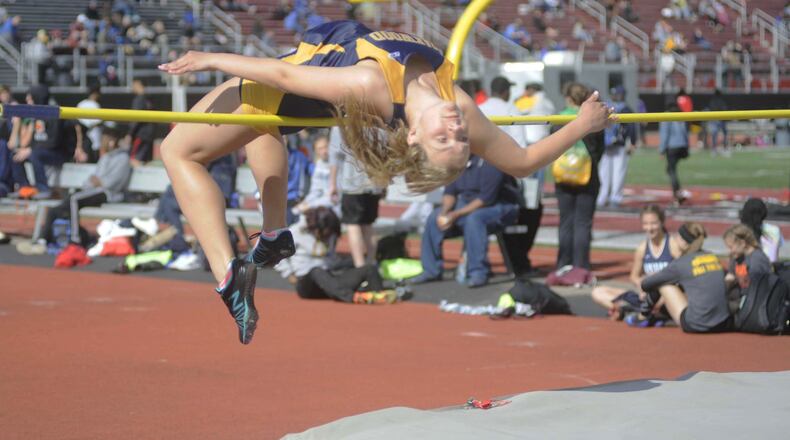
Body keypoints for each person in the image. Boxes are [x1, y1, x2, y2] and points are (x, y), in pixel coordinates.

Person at [156, 20, 612, 344]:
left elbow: (281, 75)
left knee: (175, 150)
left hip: (286, 82)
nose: (454, 126)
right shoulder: (461, 107)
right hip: (306, 76)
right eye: (459, 137)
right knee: (262, 128)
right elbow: (523, 161)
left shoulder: (372, 85)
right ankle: (274, 235)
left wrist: (209, 58)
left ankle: (227, 274)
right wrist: (581, 123)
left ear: (413, 135)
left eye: (443, 137)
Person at [16, 127, 130, 255]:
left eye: (106, 139)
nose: (103, 142)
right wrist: (95, 182)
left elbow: (112, 184)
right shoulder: (106, 157)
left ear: (112, 141)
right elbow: (91, 180)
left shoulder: (123, 158)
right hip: (93, 191)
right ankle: (42, 240)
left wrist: (98, 181)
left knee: (74, 199)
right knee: (56, 209)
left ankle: (75, 240)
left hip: (108, 194)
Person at [275, 206, 401, 304]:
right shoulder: (295, 232)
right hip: (308, 284)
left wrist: (347, 263)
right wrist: (288, 273)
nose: (328, 236)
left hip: (330, 278)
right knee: (316, 271)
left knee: (368, 267)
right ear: (316, 227)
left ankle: (378, 294)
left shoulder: (331, 233)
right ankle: (352, 297)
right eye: (327, 233)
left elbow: (332, 261)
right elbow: (274, 251)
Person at [591, 205, 680, 321]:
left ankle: (644, 311)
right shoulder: (642, 248)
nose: (649, 228)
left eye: (653, 223)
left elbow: (683, 275)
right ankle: (622, 309)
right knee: (597, 292)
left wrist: (662, 292)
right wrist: (641, 284)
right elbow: (634, 276)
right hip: (646, 297)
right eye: (645, 224)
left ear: (662, 223)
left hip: (667, 297)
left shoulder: (673, 245)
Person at [640, 222, 732, 333]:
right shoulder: (712, 256)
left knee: (663, 284)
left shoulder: (681, 263)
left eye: (677, 237)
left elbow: (646, 284)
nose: (673, 239)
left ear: (684, 242)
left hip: (697, 324)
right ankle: (658, 314)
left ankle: (643, 315)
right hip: (724, 322)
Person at [553, 83, 605, 272]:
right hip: (587, 175)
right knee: (583, 223)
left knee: (566, 222)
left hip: (563, 176)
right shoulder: (591, 119)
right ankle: (581, 267)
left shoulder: (557, 118)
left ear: (568, 98)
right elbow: (600, 149)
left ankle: (563, 264)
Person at [329, 126, 384, 268]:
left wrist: (332, 183)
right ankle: (371, 263)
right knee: (368, 225)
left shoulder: (342, 124)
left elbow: (335, 156)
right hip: (374, 182)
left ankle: (360, 266)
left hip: (352, 182)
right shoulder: (377, 122)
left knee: (353, 225)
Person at [596, 86, 637, 209]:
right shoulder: (626, 108)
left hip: (606, 145)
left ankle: (602, 198)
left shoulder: (606, 107)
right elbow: (632, 127)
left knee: (604, 173)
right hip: (619, 145)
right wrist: (633, 142)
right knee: (618, 172)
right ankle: (614, 198)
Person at [723, 224, 772, 295]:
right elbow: (730, 277)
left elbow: (758, 289)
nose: (729, 251)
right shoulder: (737, 257)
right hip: (741, 298)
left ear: (743, 243)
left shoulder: (757, 260)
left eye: (731, 247)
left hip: (754, 300)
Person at [659, 101, 689, 205]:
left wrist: (661, 150)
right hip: (682, 146)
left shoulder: (666, 116)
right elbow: (685, 132)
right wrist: (686, 146)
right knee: (671, 169)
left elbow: (664, 134)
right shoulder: (680, 115)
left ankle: (677, 195)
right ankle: (678, 193)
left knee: (671, 171)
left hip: (672, 147)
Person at [739, 198, 785, 263]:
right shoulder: (775, 230)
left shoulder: (739, 231)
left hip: (748, 269)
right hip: (771, 269)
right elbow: (776, 251)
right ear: (764, 212)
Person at [126, 80, 155, 166]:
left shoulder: (139, 99)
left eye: (133, 85)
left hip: (140, 134)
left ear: (138, 85)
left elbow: (135, 118)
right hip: (150, 134)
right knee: (146, 161)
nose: (132, 88)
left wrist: (129, 134)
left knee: (134, 160)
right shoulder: (150, 99)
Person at [77, 85, 104, 163]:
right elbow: (98, 123)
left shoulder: (81, 104)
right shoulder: (95, 105)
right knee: (93, 162)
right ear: (95, 93)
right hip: (93, 139)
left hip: (83, 139)